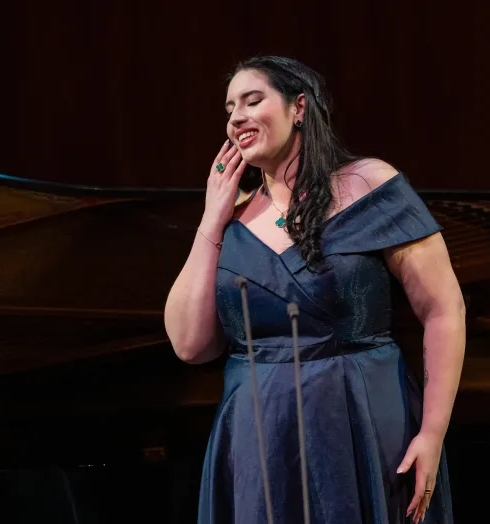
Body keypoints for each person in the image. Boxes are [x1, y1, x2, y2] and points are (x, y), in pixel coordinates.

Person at [164, 55, 465, 524]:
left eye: (252, 100)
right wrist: (211, 219)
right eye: (229, 108)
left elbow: (443, 310)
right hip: (259, 434)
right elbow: (189, 345)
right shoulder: (232, 218)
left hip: (361, 416)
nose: (236, 116)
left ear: (298, 107)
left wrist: (433, 432)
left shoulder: (369, 185)